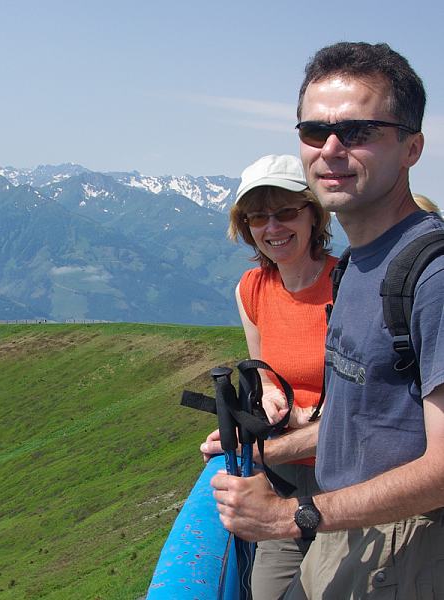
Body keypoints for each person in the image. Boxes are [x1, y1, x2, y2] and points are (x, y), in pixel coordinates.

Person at [217, 41, 444, 598]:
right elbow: (356, 422)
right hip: (345, 532)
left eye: (360, 131)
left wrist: (289, 518)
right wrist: (264, 445)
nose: (332, 148)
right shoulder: (359, 268)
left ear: (412, 147)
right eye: (314, 131)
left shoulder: (430, 273)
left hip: (402, 548)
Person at [218, 153, 337, 598]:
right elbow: (265, 375)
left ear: (313, 214)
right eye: (258, 217)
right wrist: (267, 405)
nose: (273, 227)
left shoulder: (348, 284)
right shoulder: (251, 289)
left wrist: (310, 422)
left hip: (345, 477)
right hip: (283, 480)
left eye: (286, 212)